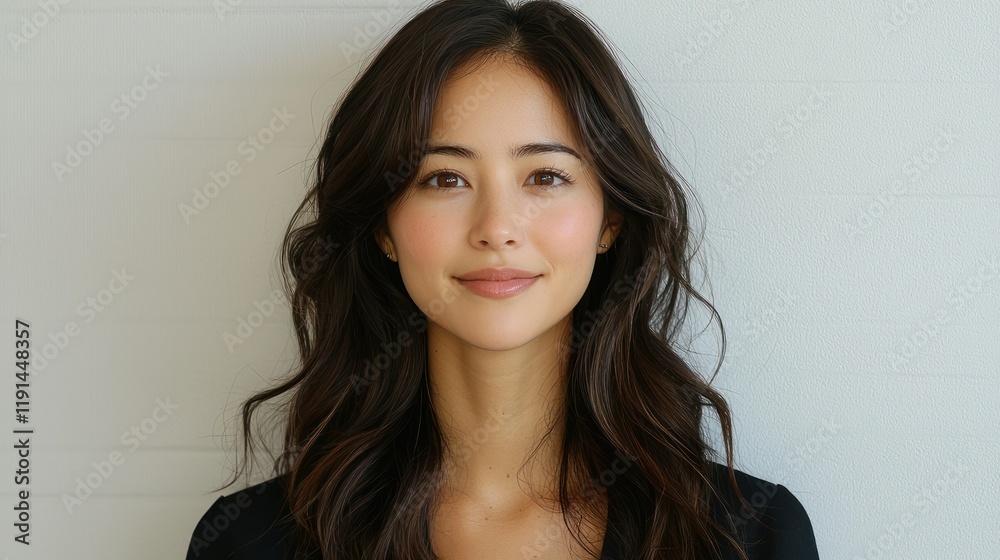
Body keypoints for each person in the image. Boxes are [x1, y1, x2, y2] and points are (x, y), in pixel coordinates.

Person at [185, 0, 820, 558]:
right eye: (444, 179)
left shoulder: (749, 536)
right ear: (384, 225)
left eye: (545, 176)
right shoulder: (253, 542)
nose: (497, 227)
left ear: (610, 220)